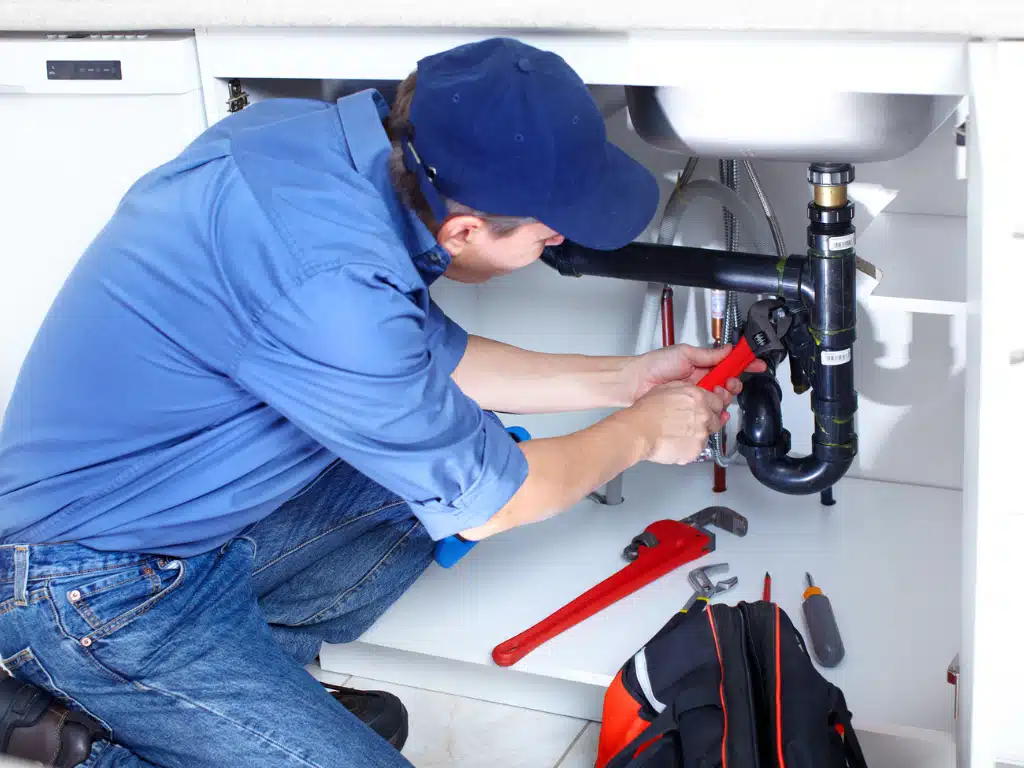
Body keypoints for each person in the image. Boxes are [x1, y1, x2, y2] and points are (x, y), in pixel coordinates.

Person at [0, 37, 762, 767]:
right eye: (546, 238)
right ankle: (100, 733)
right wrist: (637, 434)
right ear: (464, 228)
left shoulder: (319, 147)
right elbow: (491, 504)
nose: (554, 246)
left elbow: (426, 358)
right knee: (470, 482)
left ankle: (231, 705)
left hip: (173, 523)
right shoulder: (330, 288)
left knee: (443, 466)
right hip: (87, 588)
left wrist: (626, 379)